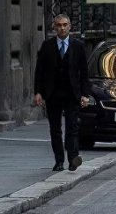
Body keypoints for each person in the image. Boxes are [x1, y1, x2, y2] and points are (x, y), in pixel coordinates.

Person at [33, 14, 90, 172]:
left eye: (65, 25)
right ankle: (59, 161)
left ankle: (73, 158)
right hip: (53, 93)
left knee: (72, 126)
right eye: (59, 25)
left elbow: (84, 73)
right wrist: (38, 92)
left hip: (72, 93)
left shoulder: (78, 46)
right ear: (54, 27)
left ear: (70, 26)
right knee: (55, 129)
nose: (62, 28)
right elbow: (40, 71)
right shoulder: (47, 46)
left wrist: (85, 94)